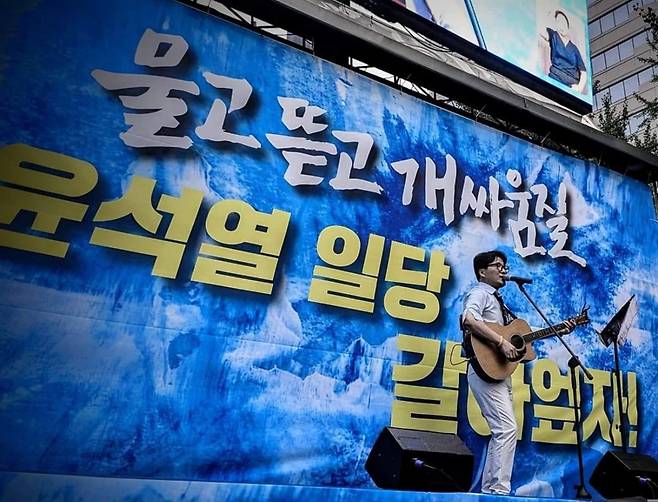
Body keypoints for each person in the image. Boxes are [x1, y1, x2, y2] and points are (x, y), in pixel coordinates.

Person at [461, 250, 573, 494]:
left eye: (505, 266)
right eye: (498, 265)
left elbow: (521, 335)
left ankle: (492, 489)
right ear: (482, 272)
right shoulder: (480, 293)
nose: (503, 270)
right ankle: (498, 490)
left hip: (499, 373)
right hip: (484, 370)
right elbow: (468, 319)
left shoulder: (498, 301)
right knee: (506, 429)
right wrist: (501, 342)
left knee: (502, 431)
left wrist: (557, 329)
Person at [539, 10, 588, 94]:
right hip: (555, 79)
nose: (561, 26)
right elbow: (541, 31)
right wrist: (548, 15)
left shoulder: (574, 49)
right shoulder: (553, 36)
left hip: (571, 85)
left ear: (568, 26)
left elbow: (583, 72)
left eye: (563, 22)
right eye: (558, 22)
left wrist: (579, 88)